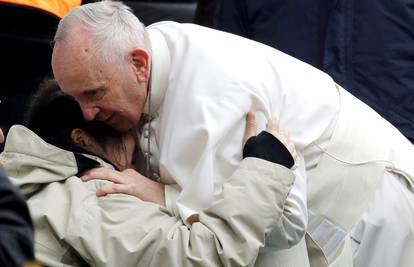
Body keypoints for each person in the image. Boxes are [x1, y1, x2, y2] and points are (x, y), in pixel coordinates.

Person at [51, 1, 414, 266]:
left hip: (369, 213)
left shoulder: (216, 94)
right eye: (77, 97)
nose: (87, 114)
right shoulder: (149, 49)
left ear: (139, 65)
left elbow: (278, 223)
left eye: (94, 93)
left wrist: (166, 196)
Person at [1, 79, 298, 266]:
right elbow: (206, 256)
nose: (139, 161)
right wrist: (264, 167)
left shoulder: (20, 188)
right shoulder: (89, 198)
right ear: (83, 139)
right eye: (130, 140)